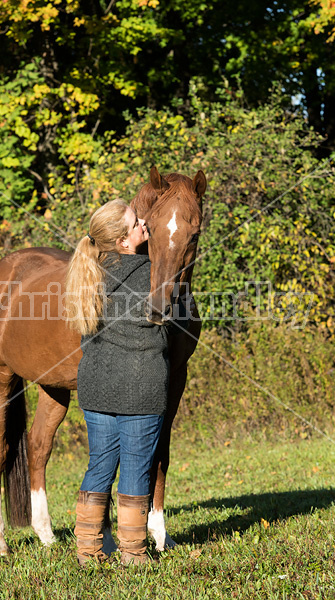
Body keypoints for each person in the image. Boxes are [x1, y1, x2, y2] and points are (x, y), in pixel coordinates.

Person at [65, 199, 190, 566]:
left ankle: (88, 549)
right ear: (123, 240)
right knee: (137, 468)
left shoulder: (88, 270)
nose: (145, 225)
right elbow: (168, 324)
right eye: (137, 222)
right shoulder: (153, 274)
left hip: (96, 387)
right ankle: (133, 554)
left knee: (99, 466)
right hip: (140, 388)